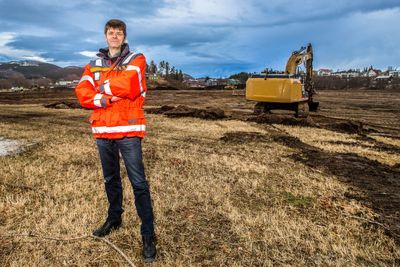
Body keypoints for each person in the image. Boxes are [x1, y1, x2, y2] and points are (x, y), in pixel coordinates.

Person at [75, 19, 156, 263]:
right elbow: (82, 92)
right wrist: (102, 98)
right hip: (102, 130)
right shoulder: (93, 64)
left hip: (128, 130)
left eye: (118, 33)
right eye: (111, 33)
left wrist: (100, 87)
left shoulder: (136, 59)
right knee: (110, 179)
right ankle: (114, 218)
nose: (114, 36)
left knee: (138, 182)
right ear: (105, 36)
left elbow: (130, 84)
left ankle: (148, 234)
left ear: (124, 36)